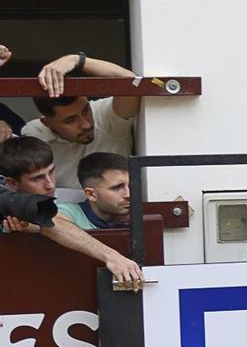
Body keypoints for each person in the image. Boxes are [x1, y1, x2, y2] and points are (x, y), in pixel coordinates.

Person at [0, 136, 145, 283]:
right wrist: (113, 257)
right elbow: (52, 221)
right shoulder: (8, 209)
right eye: (37, 178)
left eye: (51, 172)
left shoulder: (72, 198)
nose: (50, 184)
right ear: (12, 183)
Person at [22, 50, 142, 189]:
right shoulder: (35, 133)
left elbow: (131, 81)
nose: (86, 124)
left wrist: (76, 60)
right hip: (62, 209)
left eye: (86, 110)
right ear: (47, 123)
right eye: (70, 120)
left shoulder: (106, 114)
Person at [59, 151, 133, 229]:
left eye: (131, 186)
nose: (128, 195)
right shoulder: (68, 213)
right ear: (91, 194)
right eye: (117, 188)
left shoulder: (137, 215)